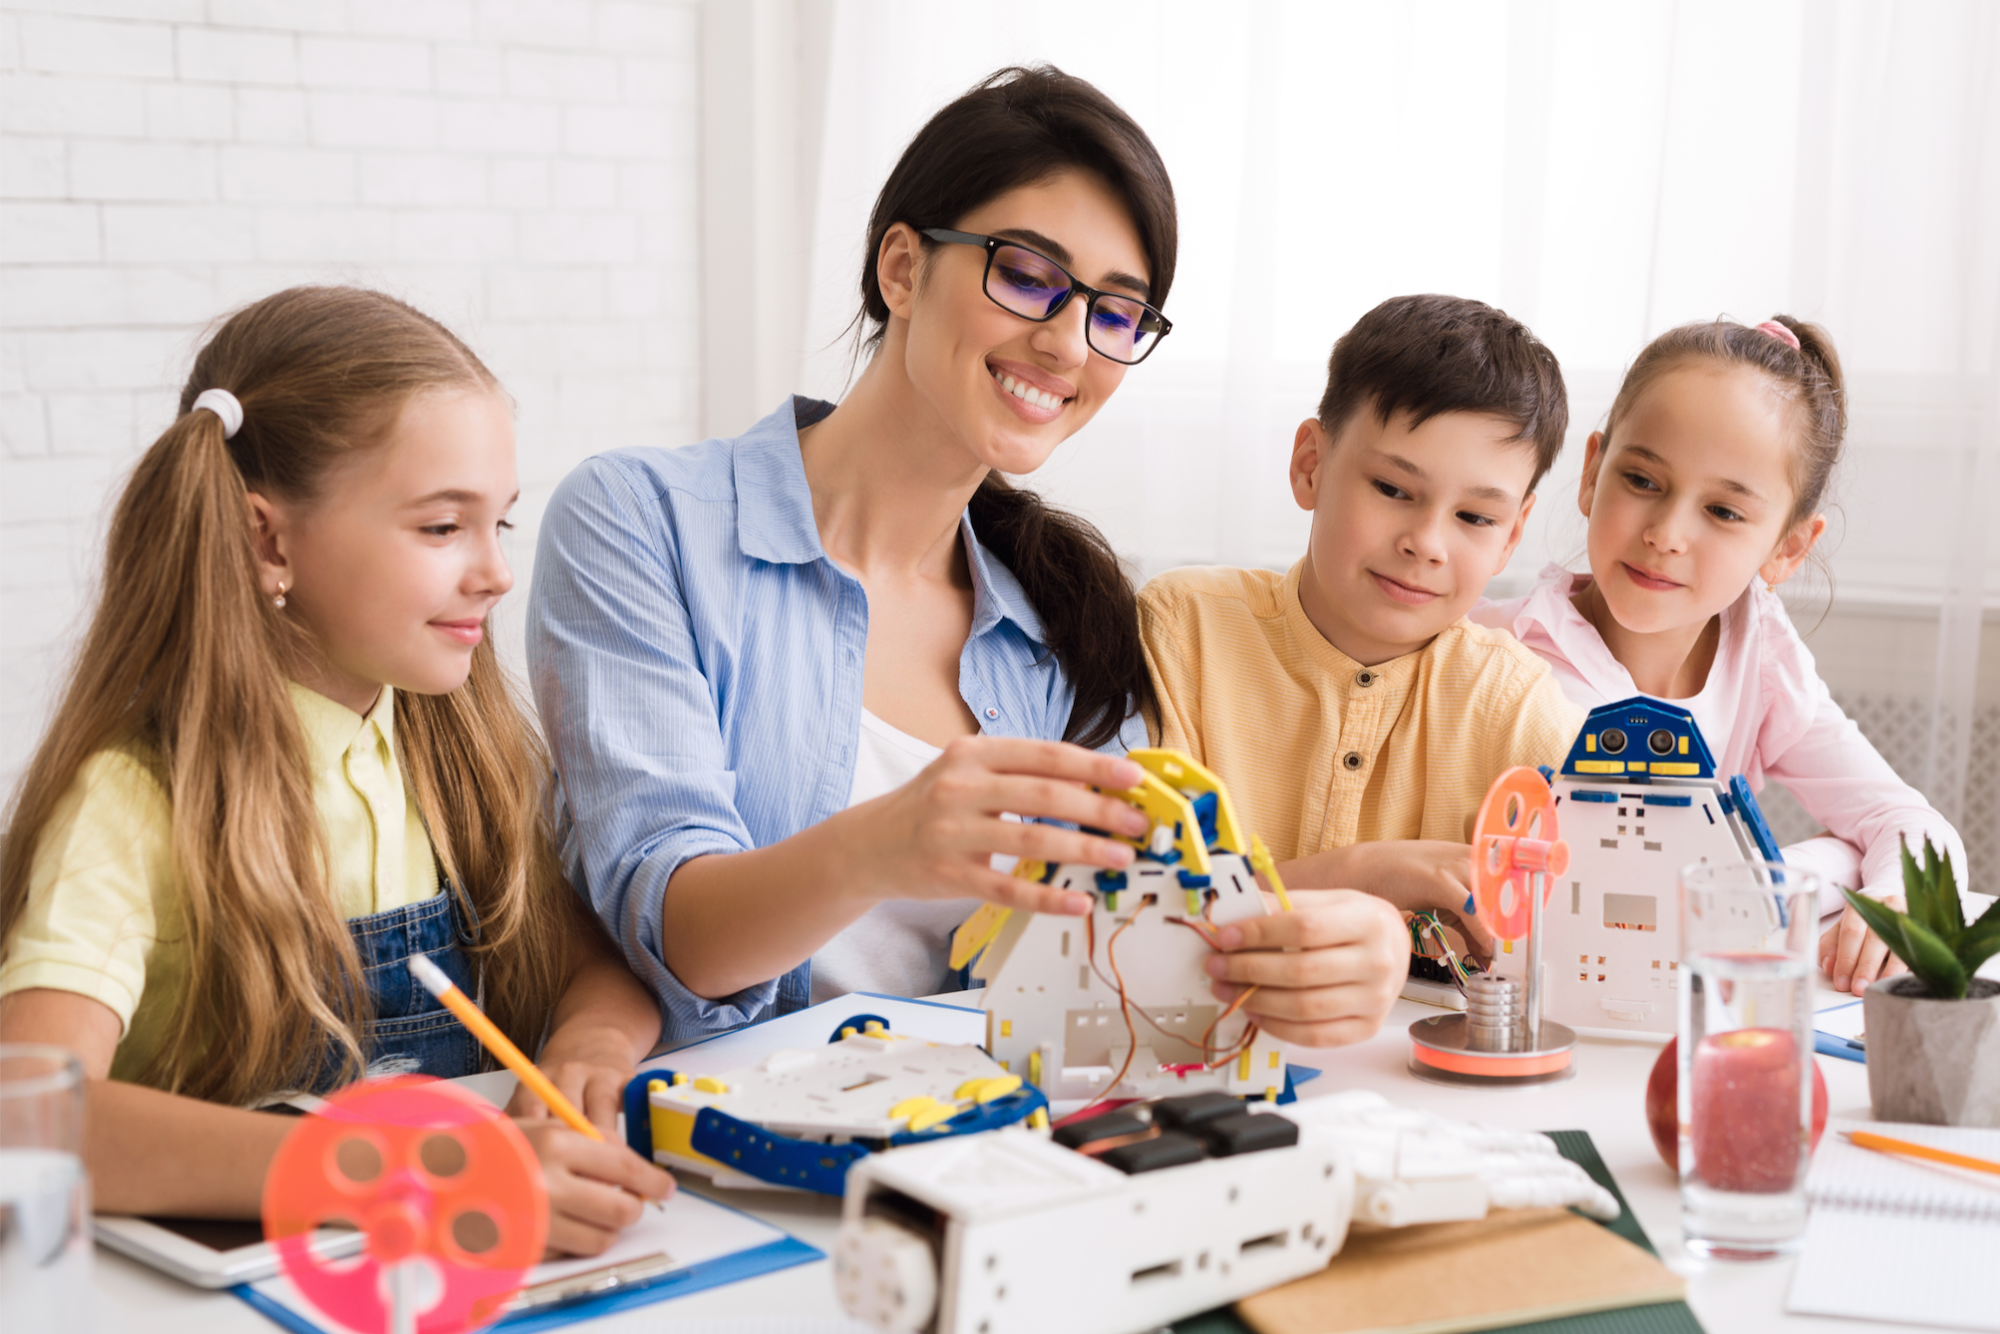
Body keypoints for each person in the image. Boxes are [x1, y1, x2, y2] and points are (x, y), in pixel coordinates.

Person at [528, 65, 1407, 1051]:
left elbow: (1129, 938)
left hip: (986, 1150)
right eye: (1027, 274)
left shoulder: (1062, 610)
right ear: (900, 268)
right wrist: (880, 845)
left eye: (1115, 313)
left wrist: (1351, 928)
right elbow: (667, 933)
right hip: (710, 1161)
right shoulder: (639, 522)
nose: (1067, 342)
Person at [0, 287, 673, 1254]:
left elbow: (592, 970)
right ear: (270, 539)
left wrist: (586, 1057)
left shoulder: (455, 753)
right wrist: (421, 1175)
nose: (495, 573)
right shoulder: (135, 797)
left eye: (501, 526)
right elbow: (36, 1120)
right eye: (443, 528)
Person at [1471, 316, 1968, 996]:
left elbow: (1903, 825)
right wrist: (1827, 862)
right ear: (1592, 472)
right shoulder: (1503, 655)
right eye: (1642, 480)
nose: (1666, 534)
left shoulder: (1757, 652)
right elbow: (1639, 896)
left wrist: (1895, 901)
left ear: (1787, 548)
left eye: (1725, 512)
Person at [1140, 295, 1585, 966]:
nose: (1427, 543)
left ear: (1511, 537)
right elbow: (1130, 925)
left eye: (1474, 519)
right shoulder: (1184, 631)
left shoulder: (1514, 702)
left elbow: (1595, 927)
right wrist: (1364, 876)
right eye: (1393, 489)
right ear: (1311, 464)